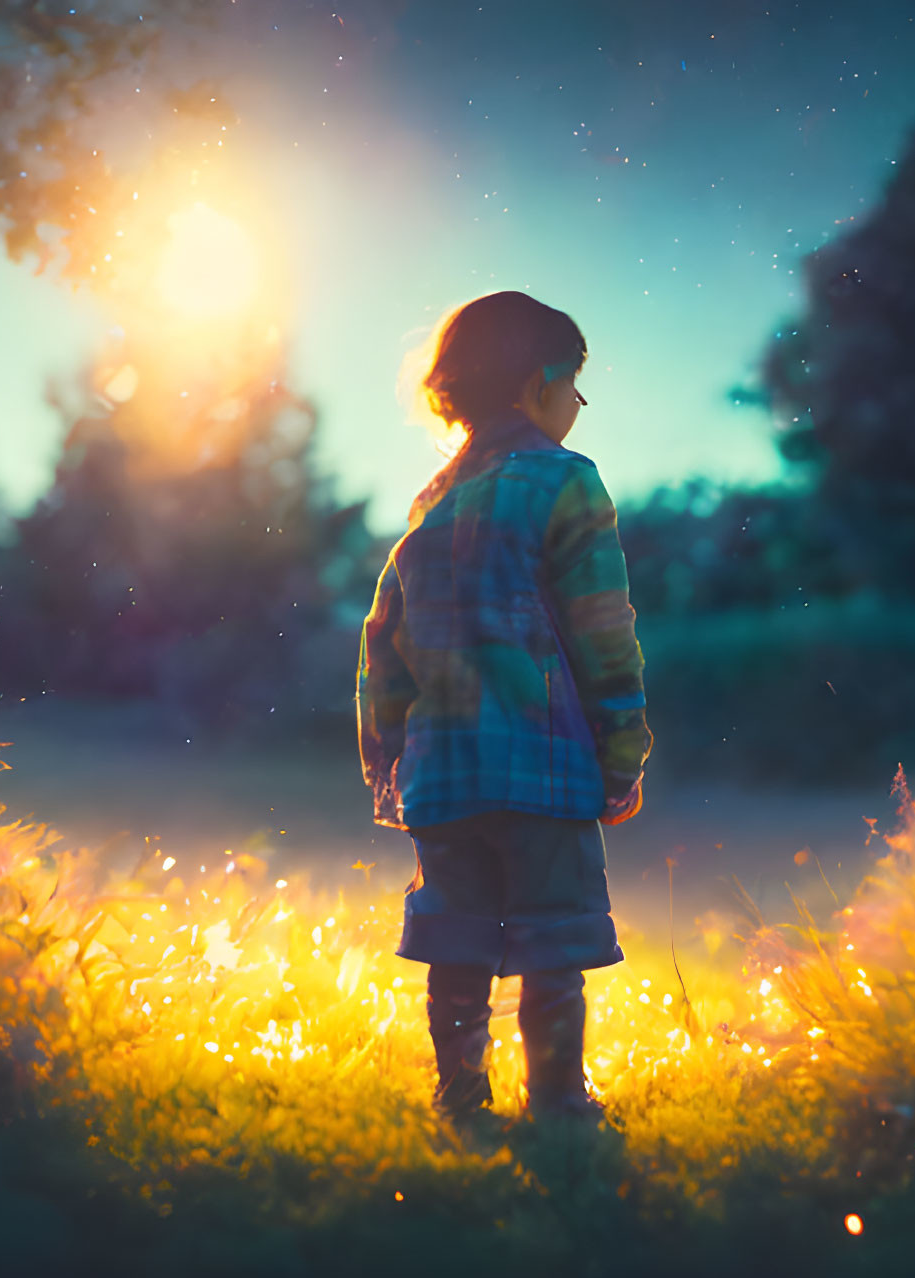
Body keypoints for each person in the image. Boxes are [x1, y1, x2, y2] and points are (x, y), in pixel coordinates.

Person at [355, 290, 652, 1126]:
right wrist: (622, 747)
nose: (580, 405)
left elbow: (384, 641)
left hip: (443, 777)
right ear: (537, 382)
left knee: (456, 939)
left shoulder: (431, 502)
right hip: (541, 767)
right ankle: (558, 1101)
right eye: (575, 384)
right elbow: (602, 627)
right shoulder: (566, 481)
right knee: (553, 937)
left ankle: (460, 1097)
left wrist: (390, 761)